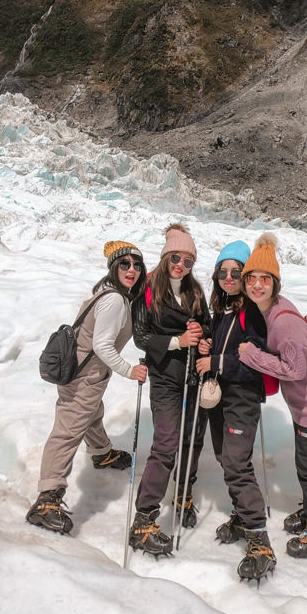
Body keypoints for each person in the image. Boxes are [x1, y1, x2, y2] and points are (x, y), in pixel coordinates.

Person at [27, 241, 149, 535]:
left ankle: (102, 453)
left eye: (137, 265)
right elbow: (102, 345)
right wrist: (129, 370)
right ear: (113, 267)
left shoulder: (109, 293)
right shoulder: (114, 301)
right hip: (85, 375)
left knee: (92, 414)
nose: (132, 270)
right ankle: (46, 500)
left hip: (84, 373)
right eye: (125, 264)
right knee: (68, 430)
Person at [237, 233, 307, 559]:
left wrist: (252, 355)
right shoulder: (274, 308)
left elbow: (294, 369)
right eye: (251, 278)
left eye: (265, 279)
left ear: (275, 283)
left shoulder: (282, 322)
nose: (257, 285)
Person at [128, 223, 210, 557]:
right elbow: (140, 336)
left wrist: (202, 336)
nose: (181, 266)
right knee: (166, 444)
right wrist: (178, 340)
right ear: (166, 256)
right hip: (165, 377)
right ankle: (144, 518)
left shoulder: (195, 291)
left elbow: (207, 325)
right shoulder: (148, 289)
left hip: (193, 376)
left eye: (188, 261)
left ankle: (183, 495)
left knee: (192, 439)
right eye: (176, 258)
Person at [195, 240, 275, 581]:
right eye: (222, 272)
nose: (228, 278)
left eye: (236, 272)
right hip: (221, 395)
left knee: (236, 462)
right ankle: (243, 515)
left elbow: (255, 362)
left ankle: (260, 540)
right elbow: (227, 347)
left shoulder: (253, 312)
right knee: (226, 458)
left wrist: (215, 361)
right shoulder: (224, 309)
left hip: (242, 395)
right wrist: (208, 343)